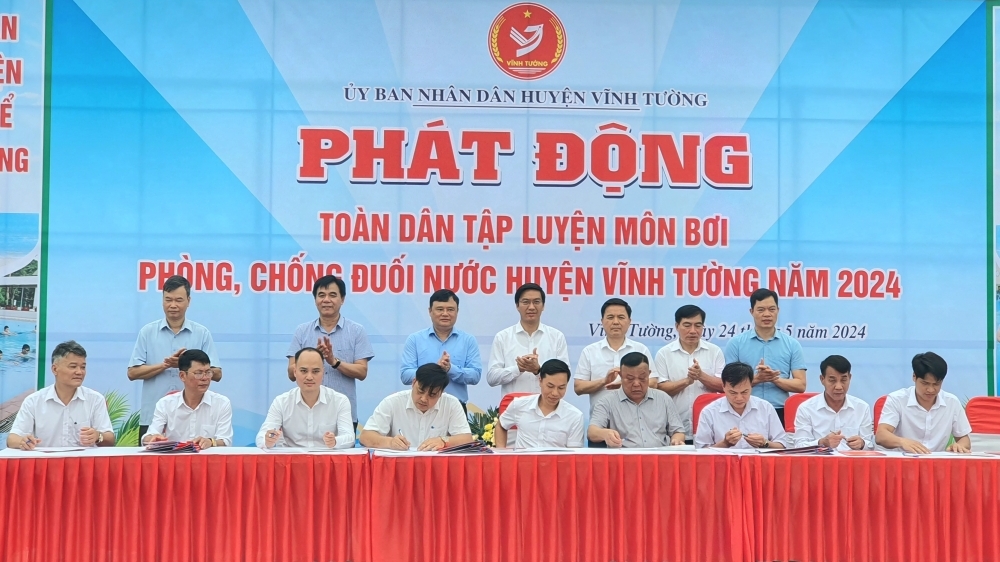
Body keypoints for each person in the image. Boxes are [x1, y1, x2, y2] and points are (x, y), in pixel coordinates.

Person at [128, 275, 221, 439]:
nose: (173, 305)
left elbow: (217, 373)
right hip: (153, 418)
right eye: (168, 300)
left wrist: (184, 365)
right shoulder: (147, 332)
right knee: (152, 455)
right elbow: (132, 373)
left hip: (192, 417)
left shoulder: (202, 333)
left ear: (188, 301)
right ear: (162, 300)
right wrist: (165, 365)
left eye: (178, 300)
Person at [287, 275, 374, 430]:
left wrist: (334, 362)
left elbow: (362, 372)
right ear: (315, 300)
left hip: (343, 415)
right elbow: (291, 372)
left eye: (332, 295)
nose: (326, 300)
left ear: (342, 299)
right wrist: (313, 357)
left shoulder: (356, 331)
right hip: (306, 414)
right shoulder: (302, 331)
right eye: (321, 295)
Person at [6, 340, 115, 449]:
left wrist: (98, 436)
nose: (79, 372)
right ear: (55, 369)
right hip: (46, 459)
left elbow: (110, 439)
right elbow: (12, 439)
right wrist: (22, 441)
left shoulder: (95, 399)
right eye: (73, 366)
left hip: (83, 460)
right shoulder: (33, 401)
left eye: (83, 367)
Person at [723, 288, 806, 425]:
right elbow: (728, 383)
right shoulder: (736, 343)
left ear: (778, 310)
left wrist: (775, 379)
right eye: (761, 310)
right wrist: (757, 379)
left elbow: (801, 385)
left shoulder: (792, 344)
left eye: (771, 309)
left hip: (780, 410)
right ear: (751, 311)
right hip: (743, 409)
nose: (767, 314)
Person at [400, 289, 481, 412]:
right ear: (430, 311)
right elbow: (405, 375)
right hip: (422, 405)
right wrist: (433, 371)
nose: (445, 314)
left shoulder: (468, 340)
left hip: (455, 408)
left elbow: (475, 376)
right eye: (440, 309)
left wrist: (450, 369)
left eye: (450, 309)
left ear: (457, 311)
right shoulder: (415, 339)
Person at [257, 347, 354, 449]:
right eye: (303, 371)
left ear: (323, 373)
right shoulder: (281, 402)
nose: (309, 377)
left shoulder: (339, 401)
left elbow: (350, 438)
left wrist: (335, 441)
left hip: (326, 457)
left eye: (315, 371)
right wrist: (268, 441)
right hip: (291, 458)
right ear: (295, 372)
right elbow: (261, 437)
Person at [362, 363, 474, 451]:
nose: (424, 399)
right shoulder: (393, 402)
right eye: (420, 391)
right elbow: (365, 436)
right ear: (413, 382)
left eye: (432, 395)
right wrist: (390, 442)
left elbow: (467, 439)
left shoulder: (451, 404)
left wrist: (444, 441)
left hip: (435, 466)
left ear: (441, 393)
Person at [876, 352, 972, 453]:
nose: (931, 390)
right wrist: (903, 442)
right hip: (903, 460)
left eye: (936, 384)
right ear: (914, 377)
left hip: (937, 461)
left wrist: (959, 446)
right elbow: (881, 435)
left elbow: (964, 439)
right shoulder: (897, 399)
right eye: (925, 383)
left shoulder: (952, 402)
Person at [655, 305, 724, 443]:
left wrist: (701, 376)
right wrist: (687, 381)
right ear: (677, 326)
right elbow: (660, 389)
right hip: (675, 430)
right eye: (687, 325)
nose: (693, 331)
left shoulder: (714, 351)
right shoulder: (664, 353)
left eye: (698, 325)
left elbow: (724, 386)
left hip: (709, 428)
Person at [587, 352, 685, 448]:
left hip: (658, 456)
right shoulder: (607, 401)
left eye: (642, 378)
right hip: (624, 457)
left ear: (649, 374)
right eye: (630, 379)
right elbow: (592, 432)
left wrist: (676, 440)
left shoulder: (663, 398)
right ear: (621, 376)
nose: (636, 384)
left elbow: (678, 431)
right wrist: (605, 434)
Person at [487, 283, 569, 396]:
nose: (531, 307)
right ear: (517, 305)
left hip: (546, 405)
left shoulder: (556, 337)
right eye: (525, 302)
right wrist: (518, 369)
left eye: (536, 302)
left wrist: (538, 370)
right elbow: (492, 378)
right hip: (514, 405)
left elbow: (565, 376)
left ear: (543, 306)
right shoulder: (502, 337)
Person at [141, 349, 232, 448]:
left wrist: (211, 442)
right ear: (182, 376)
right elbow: (149, 436)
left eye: (208, 372)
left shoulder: (221, 403)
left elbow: (225, 440)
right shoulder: (165, 404)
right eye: (198, 373)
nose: (205, 378)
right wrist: (152, 438)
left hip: (206, 457)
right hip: (174, 457)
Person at [695, 362, 787, 449]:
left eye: (744, 392)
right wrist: (725, 443)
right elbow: (701, 451)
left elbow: (782, 445)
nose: (739, 398)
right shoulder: (709, 412)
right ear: (723, 386)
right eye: (733, 393)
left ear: (751, 385)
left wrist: (765, 443)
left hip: (758, 460)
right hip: (724, 460)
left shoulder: (766, 408)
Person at [495, 359, 584, 449]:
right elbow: (501, 425)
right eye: (550, 386)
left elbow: (575, 453)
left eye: (561, 388)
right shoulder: (519, 405)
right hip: (525, 457)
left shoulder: (575, 417)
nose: (555, 393)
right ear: (540, 381)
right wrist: (501, 452)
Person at [792, 355, 873, 450]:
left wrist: (862, 444)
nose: (838, 387)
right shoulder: (806, 409)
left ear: (850, 378)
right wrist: (821, 443)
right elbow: (799, 446)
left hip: (852, 459)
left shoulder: (862, 408)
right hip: (820, 459)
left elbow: (870, 446)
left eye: (843, 380)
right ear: (822, 379)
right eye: (832, 380)